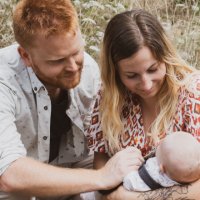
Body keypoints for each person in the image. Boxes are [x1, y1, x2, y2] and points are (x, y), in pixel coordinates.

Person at [0, 1, 144, 200]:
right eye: (57, 61)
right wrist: (102, 177)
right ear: (25, 55)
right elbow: (10, 174)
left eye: (76, 52)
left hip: (71, 171)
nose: (73, 67)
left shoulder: (89, 70)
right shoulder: (4, 80)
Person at [86, 9, 200, 200]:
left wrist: (132, 199)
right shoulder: (110, 97)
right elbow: (101, 160)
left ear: (165, 57)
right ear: (115, 73)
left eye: (153, 69)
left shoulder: (193, 93)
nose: (146, 84)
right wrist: (110, 194)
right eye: (132, 76)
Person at [123, 131, 200, 191]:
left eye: (160, 146)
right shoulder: (180, 177)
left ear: (161, 168)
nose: (159, 143)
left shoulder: (152, 173)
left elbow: (129, 182)